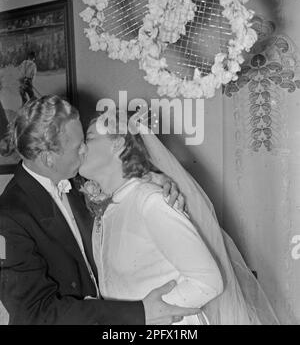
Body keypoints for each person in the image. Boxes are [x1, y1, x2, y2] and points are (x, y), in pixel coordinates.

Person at [0, 95, 199, 325]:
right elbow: (36, 314)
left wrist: (155, 178)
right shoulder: (8, 217)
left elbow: (121, 183)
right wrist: (139, 313)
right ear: (48, 159)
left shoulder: (76, 178)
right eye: (78, 146)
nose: (86, 149)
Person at [79, 109, 280, 325]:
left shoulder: (150, 201)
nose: (80, 148)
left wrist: (143, 314)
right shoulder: (108, 208)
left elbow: (208, 282)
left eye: (89, 139)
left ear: (117, 144)